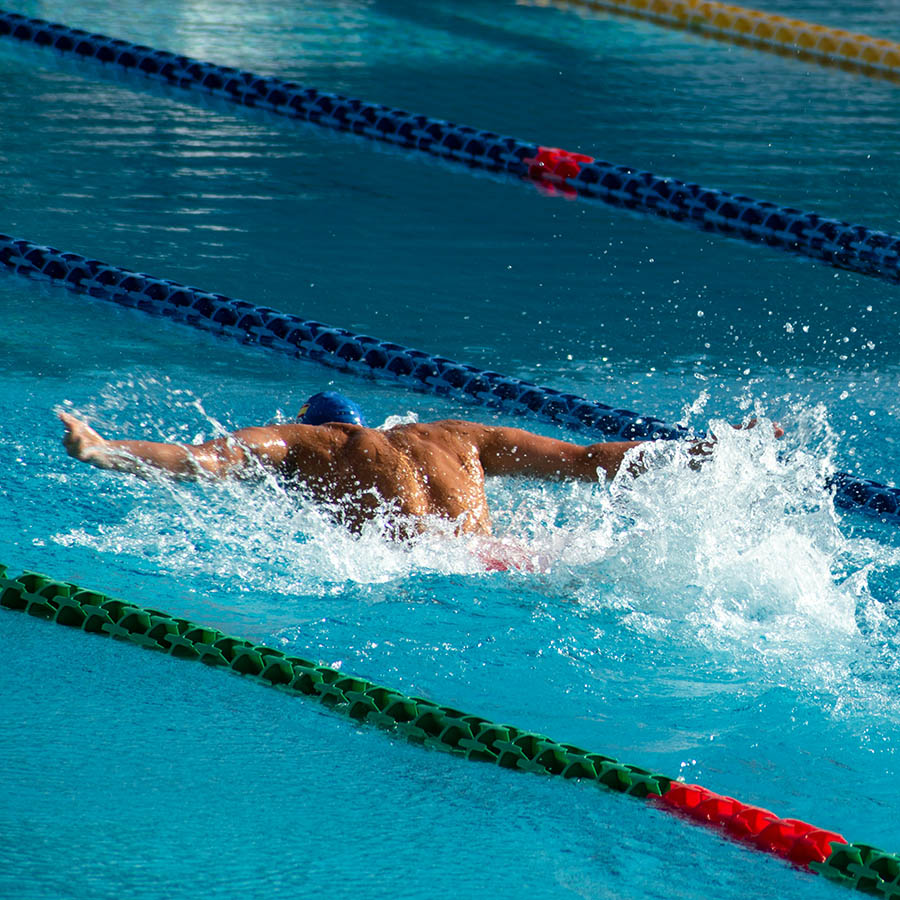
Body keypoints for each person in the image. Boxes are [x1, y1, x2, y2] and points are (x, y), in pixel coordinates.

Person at [58, 390, 780, 540]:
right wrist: (710, 452)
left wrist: (102, 450)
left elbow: (203, 461)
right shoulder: (456, 435)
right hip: (515, 562)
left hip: (427, 578)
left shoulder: (309, 447)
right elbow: (595, 461)